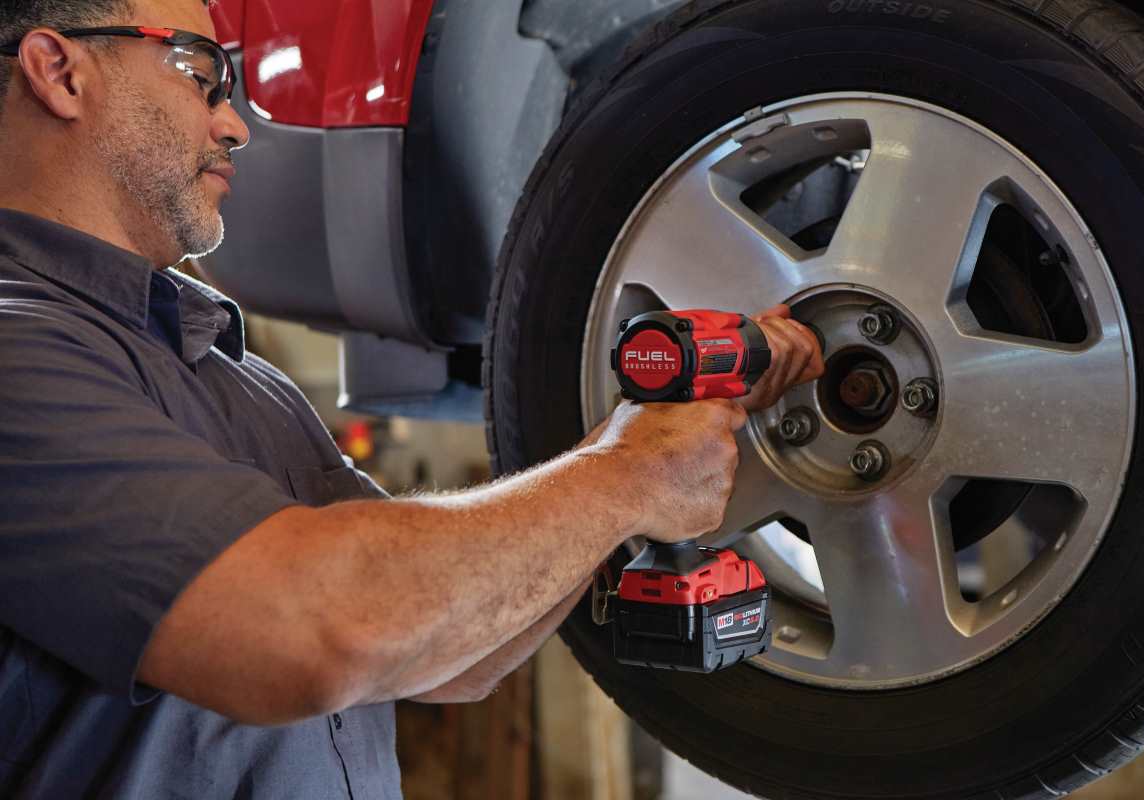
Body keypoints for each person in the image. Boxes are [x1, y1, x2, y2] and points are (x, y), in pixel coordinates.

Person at [0, 0, 824, 797]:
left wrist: (635, 459)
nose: (235, 125)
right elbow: (320, 631)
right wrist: (628, 476)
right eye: (198, 73)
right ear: (59, 72)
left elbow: (447, 660)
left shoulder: (238, 375)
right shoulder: (16, 353)